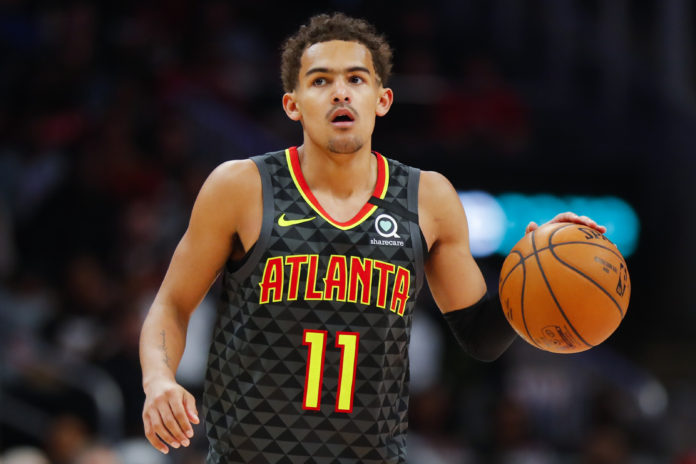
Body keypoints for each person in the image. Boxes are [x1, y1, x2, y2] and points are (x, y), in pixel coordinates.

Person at [139, 12, 606, 463]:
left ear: (382, 99)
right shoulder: (240, 187)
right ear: (293, 103)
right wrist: (159, 377)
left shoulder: (429, 198)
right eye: (321, 80)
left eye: (356, 79)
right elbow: (173, 304)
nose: (340, 92)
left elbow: (481, 339)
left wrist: (530, 265)